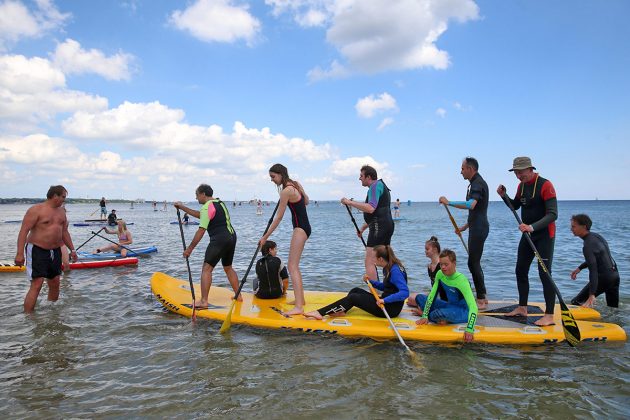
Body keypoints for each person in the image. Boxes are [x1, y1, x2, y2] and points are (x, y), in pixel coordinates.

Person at [497, 156, 558, 326]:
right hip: (528, 235)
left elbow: (553, 214)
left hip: (545, 235)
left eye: (521, 172)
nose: (518, 175)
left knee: (544, 273)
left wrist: (532, 227)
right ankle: (522, 307)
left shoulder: (545, 185)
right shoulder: (521, 185)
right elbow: (514, 206)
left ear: (530, 169)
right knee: (520, 269)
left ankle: (549, 315)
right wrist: (504, 196)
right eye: (516, 172)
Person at [174, 184, 241, 307]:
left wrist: (189, 249)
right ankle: (239, 296)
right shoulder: (220, 203)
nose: (196, 198)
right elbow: (201, 215)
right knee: (228, 267)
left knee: (206, 269)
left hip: (219, 239)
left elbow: (201, 230)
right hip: (231, 237)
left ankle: (204, 301)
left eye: (197, 195)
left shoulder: (207, 207)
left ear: (203, 194)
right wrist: (183, 207)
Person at [15, 185, 78, 312]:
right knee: (37, 284)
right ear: (55, 196)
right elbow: (23, 231)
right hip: (37, 249)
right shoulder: (36, 210)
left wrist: (72, 250)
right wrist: (19, 253)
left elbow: (64, 232)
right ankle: (29, 317)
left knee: (55, 282)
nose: (64, 200)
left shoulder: (61, 212)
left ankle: (52, 313)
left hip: (55, 251)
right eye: (63, 197)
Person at [304, 245, 409, 320]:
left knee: (353, 298)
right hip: (386, 303)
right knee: (355, 290)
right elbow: (387, 287)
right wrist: (371, 282)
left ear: (381, 259)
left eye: (374, 258)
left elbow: (405, 293)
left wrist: (384, 300)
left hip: (390, 309)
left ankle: (319, 313)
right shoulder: (389, 266)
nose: (372, 260)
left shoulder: (395, 271)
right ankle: (342, 311)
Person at [259, 163, 310, 316]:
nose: (272, 180)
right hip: (305, 227)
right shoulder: (295, 185)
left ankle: (299, 307)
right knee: (295, 265)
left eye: (273, 177)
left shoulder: (286, 191)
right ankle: (300, 300)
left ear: (280, 174)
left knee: (292, 266)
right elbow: (306, 201)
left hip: (300, 228)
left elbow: (278, 218)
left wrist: (265, 237)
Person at [439, 157, 490, 309]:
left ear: (470, 169)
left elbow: (471, 205)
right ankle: (483, 296)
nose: (460, 171)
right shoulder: (474, 183)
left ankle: (480, 299)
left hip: (480, 228)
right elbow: (478, 211)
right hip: (476, 226)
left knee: (472, 262)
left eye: (462, 168)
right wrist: (465, 227)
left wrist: (449, 202)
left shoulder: (478, 184)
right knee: (475, 261)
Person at [341, 165, 394, 280]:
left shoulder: (374, 187)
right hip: (387, 225)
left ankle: (374, 292)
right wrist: (363, 229)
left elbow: (371, 208)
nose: (359, 178)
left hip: (379, 227)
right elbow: (380, 212)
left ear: (368, 177)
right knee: (387, 259)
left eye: (361, 176)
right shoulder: (381, 186)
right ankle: (391, 287)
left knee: (369, 261)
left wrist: (349, 202)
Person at [414, 249, 478, 343]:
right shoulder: (440, 274)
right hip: (449, 306)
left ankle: (436, 317)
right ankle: (440, 318)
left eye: (446, 264)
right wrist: (424, 315)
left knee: (438, 314)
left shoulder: (462, 281)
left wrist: (470, 328)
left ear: (454, 263)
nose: (443, 267)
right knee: (419, 298)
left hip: (463, 311)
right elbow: (432, 295)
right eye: (441, 264)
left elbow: (473, 306)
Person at [569, 214, 620, 308]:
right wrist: (580, 268)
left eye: (573, 226)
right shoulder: (597, 237)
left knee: (576, 303)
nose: (571, 229)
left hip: (604, 278)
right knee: (613, 309)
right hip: (614, 275)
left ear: (584, 227)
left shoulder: (588, 245)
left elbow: (593, 270)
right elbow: (600, 258)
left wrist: (592, 294)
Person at [408, 236, 448, 307]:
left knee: (413, 300)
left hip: (443, 298)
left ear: (435, 250)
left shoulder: (442, 266)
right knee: (410, 298)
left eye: (427, 249)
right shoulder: (430, 266)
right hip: (435, 295)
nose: (425, 251)